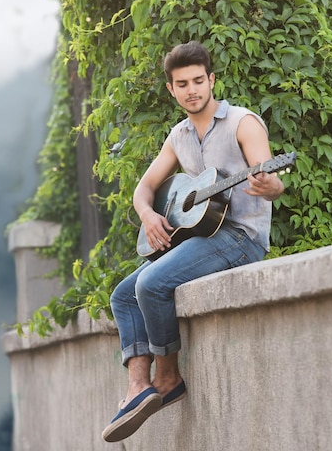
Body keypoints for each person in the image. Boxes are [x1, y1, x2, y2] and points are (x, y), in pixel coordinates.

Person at [102, 41, 286, 442]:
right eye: (182, 84)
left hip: (240, 237)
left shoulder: (243, 123)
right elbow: (144, 188)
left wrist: (270, 185)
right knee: (123, 295)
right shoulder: (178, 136)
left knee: (151, 284)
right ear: (171, 89)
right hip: (202, 236)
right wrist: (149, 215)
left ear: (212, 80)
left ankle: (168, 378)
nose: (192, 90)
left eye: (199, 81)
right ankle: (138, 387)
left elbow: (271, 181)